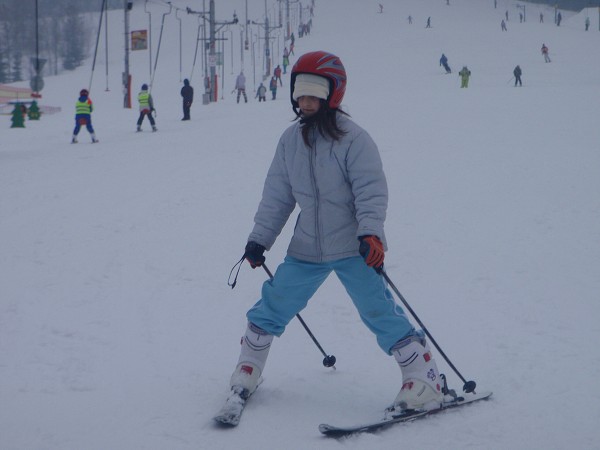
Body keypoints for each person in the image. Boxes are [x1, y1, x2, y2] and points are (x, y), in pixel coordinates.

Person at [218, 50, 444, 423]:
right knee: (272, 305)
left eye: (313, 94)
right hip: (307, 247)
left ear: (332, 93)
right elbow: (277, 195)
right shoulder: (290, 141)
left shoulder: (354, 139)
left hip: (353, 246)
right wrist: (260, 239)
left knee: (377, 310)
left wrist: (370, 233)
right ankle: (247, 369)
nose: (305, 102)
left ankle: (424, 378)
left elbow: (371, 190)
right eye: (299, 94)